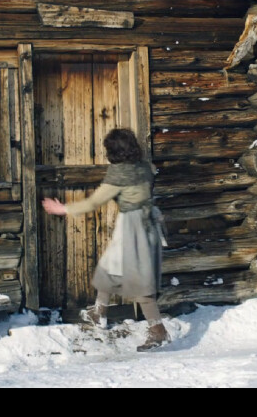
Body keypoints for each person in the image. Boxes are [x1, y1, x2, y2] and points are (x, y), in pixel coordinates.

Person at [41, 128, 170, 352]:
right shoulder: (145, 167)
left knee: (139, 279)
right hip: (145, 223)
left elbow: (93, 202)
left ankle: (158, 330)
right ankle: (99, 312)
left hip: (134, 228)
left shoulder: (119, 175)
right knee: (109, 267)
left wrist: (63, 208)